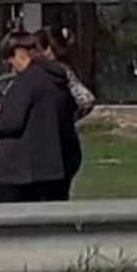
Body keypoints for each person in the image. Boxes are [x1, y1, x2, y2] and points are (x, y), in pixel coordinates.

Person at [0, 30, 78, 204]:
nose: (11, 65)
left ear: (18, 53)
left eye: (9, 59)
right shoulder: (57, 80)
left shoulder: (26, 81)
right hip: (52, 167)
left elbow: (12, 122)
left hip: (19, 171)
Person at [33, 27, 95, 200]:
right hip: (66, 144)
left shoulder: (58, 73)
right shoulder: (65, 69)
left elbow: (86, 99)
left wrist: (63, 118)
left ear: (48, 50)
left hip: (59, 147)